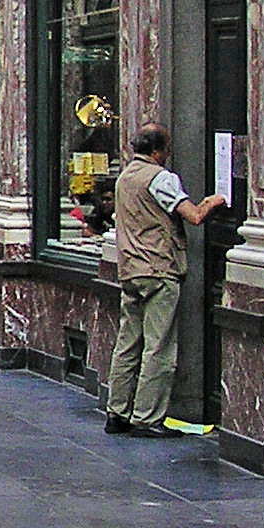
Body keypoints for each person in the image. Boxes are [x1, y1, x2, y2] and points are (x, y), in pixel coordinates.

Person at [106, 122, 228, 438]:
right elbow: (195, 215)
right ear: (159, 151)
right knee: (158, 346)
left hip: (131, 269)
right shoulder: (160, 178)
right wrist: (217, 199)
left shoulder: (125, 177)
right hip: (159, 270)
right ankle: (146, 417)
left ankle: (117, 412)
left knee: (128, 343)